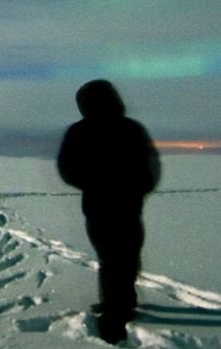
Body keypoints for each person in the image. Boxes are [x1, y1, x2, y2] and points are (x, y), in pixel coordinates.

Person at [57, 79, 161, 344]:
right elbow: (68, 168)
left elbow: (150, 166)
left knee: (118, 258)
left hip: (110, 205)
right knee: (119, 257)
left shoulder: (91, 131)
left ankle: (120, 306)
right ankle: (117, 308)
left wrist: (135, 186)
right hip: (112, 206)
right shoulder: (126, 129)